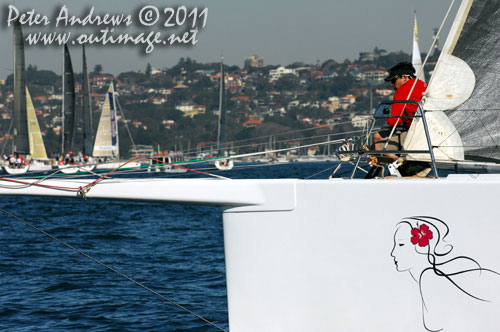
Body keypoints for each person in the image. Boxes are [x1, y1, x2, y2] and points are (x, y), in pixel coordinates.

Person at [391, 216, 500, 331]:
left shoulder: (429, 277)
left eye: (401, 244)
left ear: (422, 246)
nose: (393, 253)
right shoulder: (434, 275)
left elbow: (436, 325)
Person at [373, 61, 427, 162]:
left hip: (413, 133)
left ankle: (401, 163)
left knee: (377, 144)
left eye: (393, 80)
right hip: (427, 131)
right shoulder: (423, 85)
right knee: (378, 137)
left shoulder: (402, 90)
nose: (392, 84)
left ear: (404, 77)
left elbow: (393, 121)